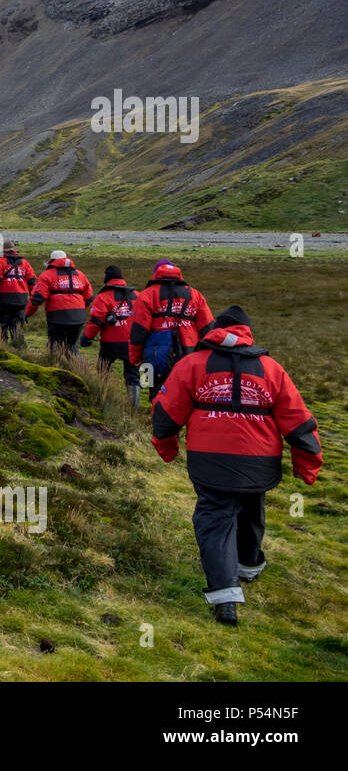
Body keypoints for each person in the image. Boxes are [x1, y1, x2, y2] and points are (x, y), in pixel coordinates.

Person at [150, 305, 321, 625]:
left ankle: (225, 594)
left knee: (215, 518)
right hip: (260, 462)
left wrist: (167, 447)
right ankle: (248, 566)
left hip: (209, 460)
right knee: (252, 505)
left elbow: (166, 413)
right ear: (248, 333)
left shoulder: (192, 365)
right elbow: (298, 421)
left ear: (214, 330)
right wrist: (307, 463)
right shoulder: (272, 370)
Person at [128, 260, 214, 392]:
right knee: (186, 392)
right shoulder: (195, 295)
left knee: (156, 392)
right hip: (189, 354)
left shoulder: (147, 295)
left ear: (156, 274)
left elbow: (138, 331)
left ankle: (155, 407)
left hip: (155, 355)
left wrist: (135, 358)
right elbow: (209, 330)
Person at [81, 266, 140, 403]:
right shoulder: (137, 295)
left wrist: (87, 338)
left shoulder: (103, 297)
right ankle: (134, 407)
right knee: (133, 374)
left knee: (103, 368)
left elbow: (96, 321)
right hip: (133, 342)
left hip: (110, 343)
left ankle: (105, 397)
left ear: (107, 279)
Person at [26, 251, 93, 355]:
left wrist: (27, 314)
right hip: (79, 317)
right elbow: (89, 298)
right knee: (71, 346)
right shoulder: (80, 275)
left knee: (55, 346)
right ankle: (78, 369)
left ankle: (55, 368)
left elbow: (37, 299)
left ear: (51, 261)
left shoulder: (47, 275)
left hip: (57, 317)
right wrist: (79, 311)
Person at [0, 240, 36, 345]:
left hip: (3, 299)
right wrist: (33, 299)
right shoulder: (25, 263)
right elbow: (32, 281)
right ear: (14, 250)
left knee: (2, 324)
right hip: (21, 299)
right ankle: (19, 346)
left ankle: (3, 346)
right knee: (17, 325)